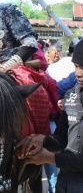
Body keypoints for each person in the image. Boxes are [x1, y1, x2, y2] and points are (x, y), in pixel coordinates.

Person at [17, 38, 83, 193]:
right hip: (66, 183)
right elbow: (61, 139)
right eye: (76, 67)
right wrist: (43, 139)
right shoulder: (71, 96)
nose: (78, 73)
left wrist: (50, 158)